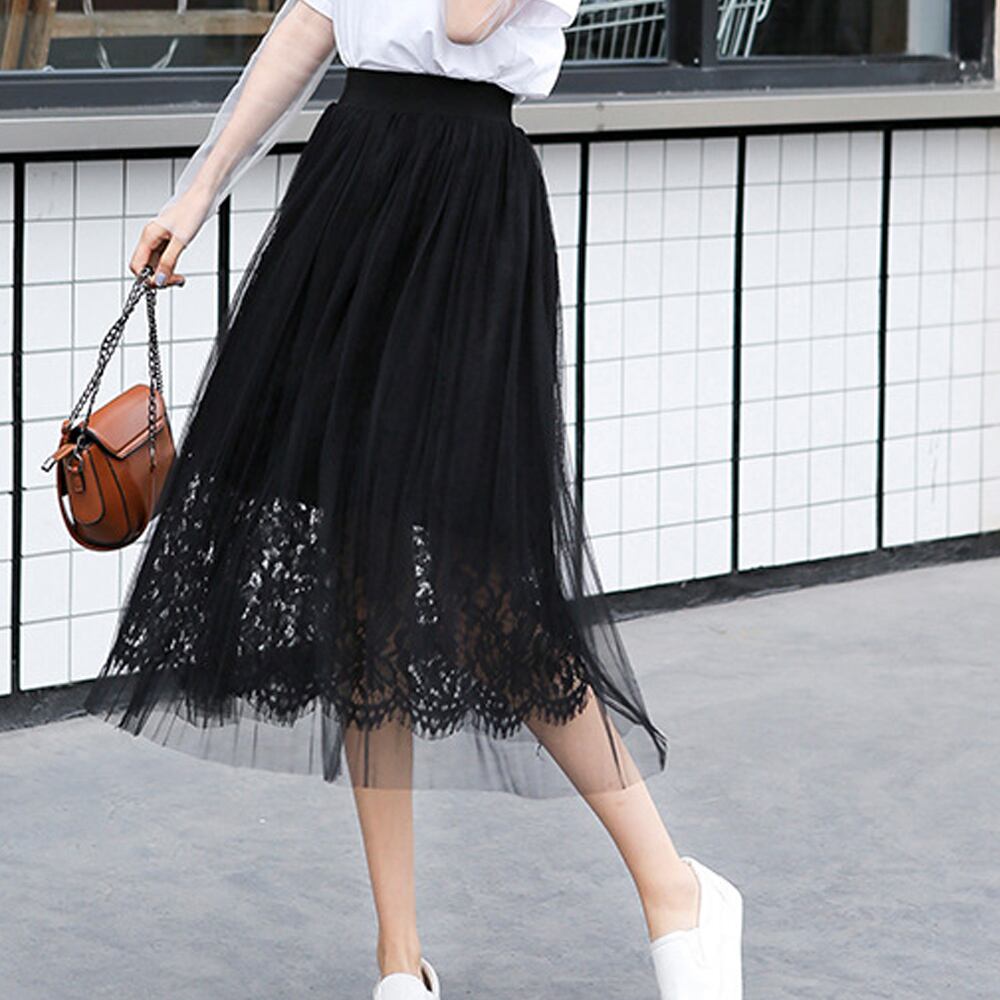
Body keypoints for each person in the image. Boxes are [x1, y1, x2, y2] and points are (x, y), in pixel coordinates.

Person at [83, 2, 744, 997]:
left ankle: (674, 888)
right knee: (362, 580)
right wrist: (198, 189)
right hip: (353, 189)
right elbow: (315, 19)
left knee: (487, 592)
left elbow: (468, 22)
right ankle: (399, 958)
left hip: (466, 211)